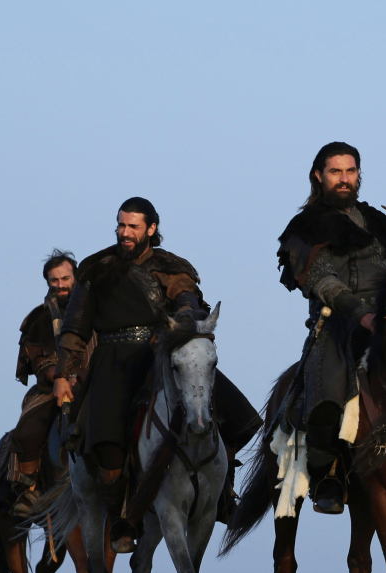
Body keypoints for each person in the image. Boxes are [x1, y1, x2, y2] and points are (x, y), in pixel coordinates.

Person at [54, 197, 261, 552]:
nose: (125, 233)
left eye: (133, 226)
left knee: (241, 417)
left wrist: (179, 322)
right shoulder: (96, 268)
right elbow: (75, 327)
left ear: (151, 229)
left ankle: (219, 491)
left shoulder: (171, 266)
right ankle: (124, 517)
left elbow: (187, 301)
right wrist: (62, 375)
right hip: (112, 360)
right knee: (106, 441)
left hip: (161, 354)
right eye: (121, 225)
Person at [276, 142, 386, 514]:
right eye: (336, 172)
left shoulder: (381, 223)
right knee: (329, 397)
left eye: (350, 172)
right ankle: (327, 476)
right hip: (336, 323)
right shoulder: (304, 228)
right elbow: (324, 282)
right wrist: (360, 313)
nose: (344, 179)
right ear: (319, 176)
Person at [10, 250, 84, 516]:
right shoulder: (38, 319)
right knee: (28, 430)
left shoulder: (93, 313)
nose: (61, 285)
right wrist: (59, 376)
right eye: (55, 280)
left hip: (90, 386)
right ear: (48, 282)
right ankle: (28, 491)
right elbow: (36, 360)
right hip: (50, 389)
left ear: (75, 277)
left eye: (65, 278)